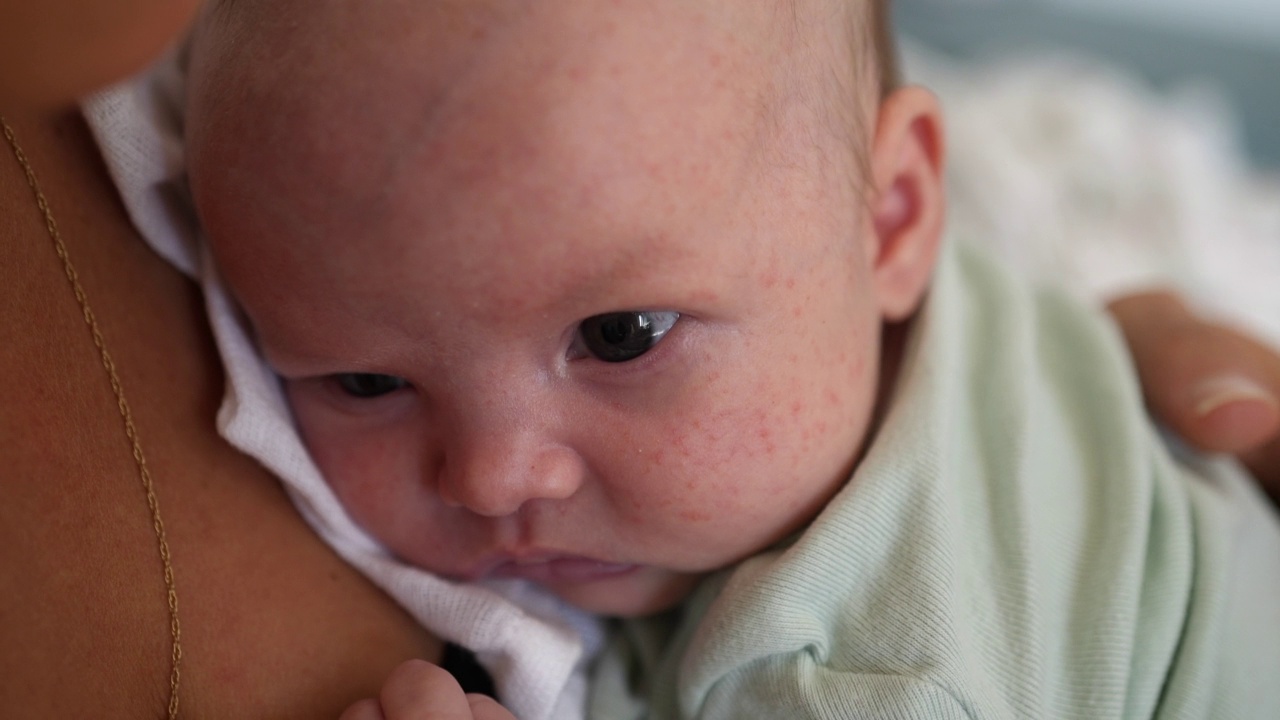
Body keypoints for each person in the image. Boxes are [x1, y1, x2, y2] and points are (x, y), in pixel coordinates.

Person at [3, 2, 1280, 719]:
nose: (493, 474)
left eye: (618, 338)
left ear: (894, 217)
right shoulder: (833, 276)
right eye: (363, 381)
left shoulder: (866, 675)